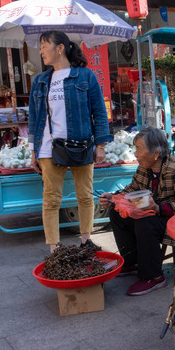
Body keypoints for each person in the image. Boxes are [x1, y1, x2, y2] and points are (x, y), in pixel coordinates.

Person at [28, 30, 112, 253]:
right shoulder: (40, 81)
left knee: (85, 195)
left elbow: (99, 112)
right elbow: (34, 118)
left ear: (60, 48)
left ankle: (86, 240)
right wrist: (33, 150)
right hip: (47, 147)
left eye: (44, 45)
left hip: (82, 143)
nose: (41, 51)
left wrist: (101, 145)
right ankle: (54, 248)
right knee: (51, 199)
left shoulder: (85, 76)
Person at [99, 127, 175, 296]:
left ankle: (154, 276)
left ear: (155, 153)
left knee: (145, 222)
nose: (135, 154)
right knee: (117, 213)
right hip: (158, 215)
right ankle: (133, 262)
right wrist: (113, 198)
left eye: (139, 148)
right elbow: (133, 189)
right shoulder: (145, 167)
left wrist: (158, 208)